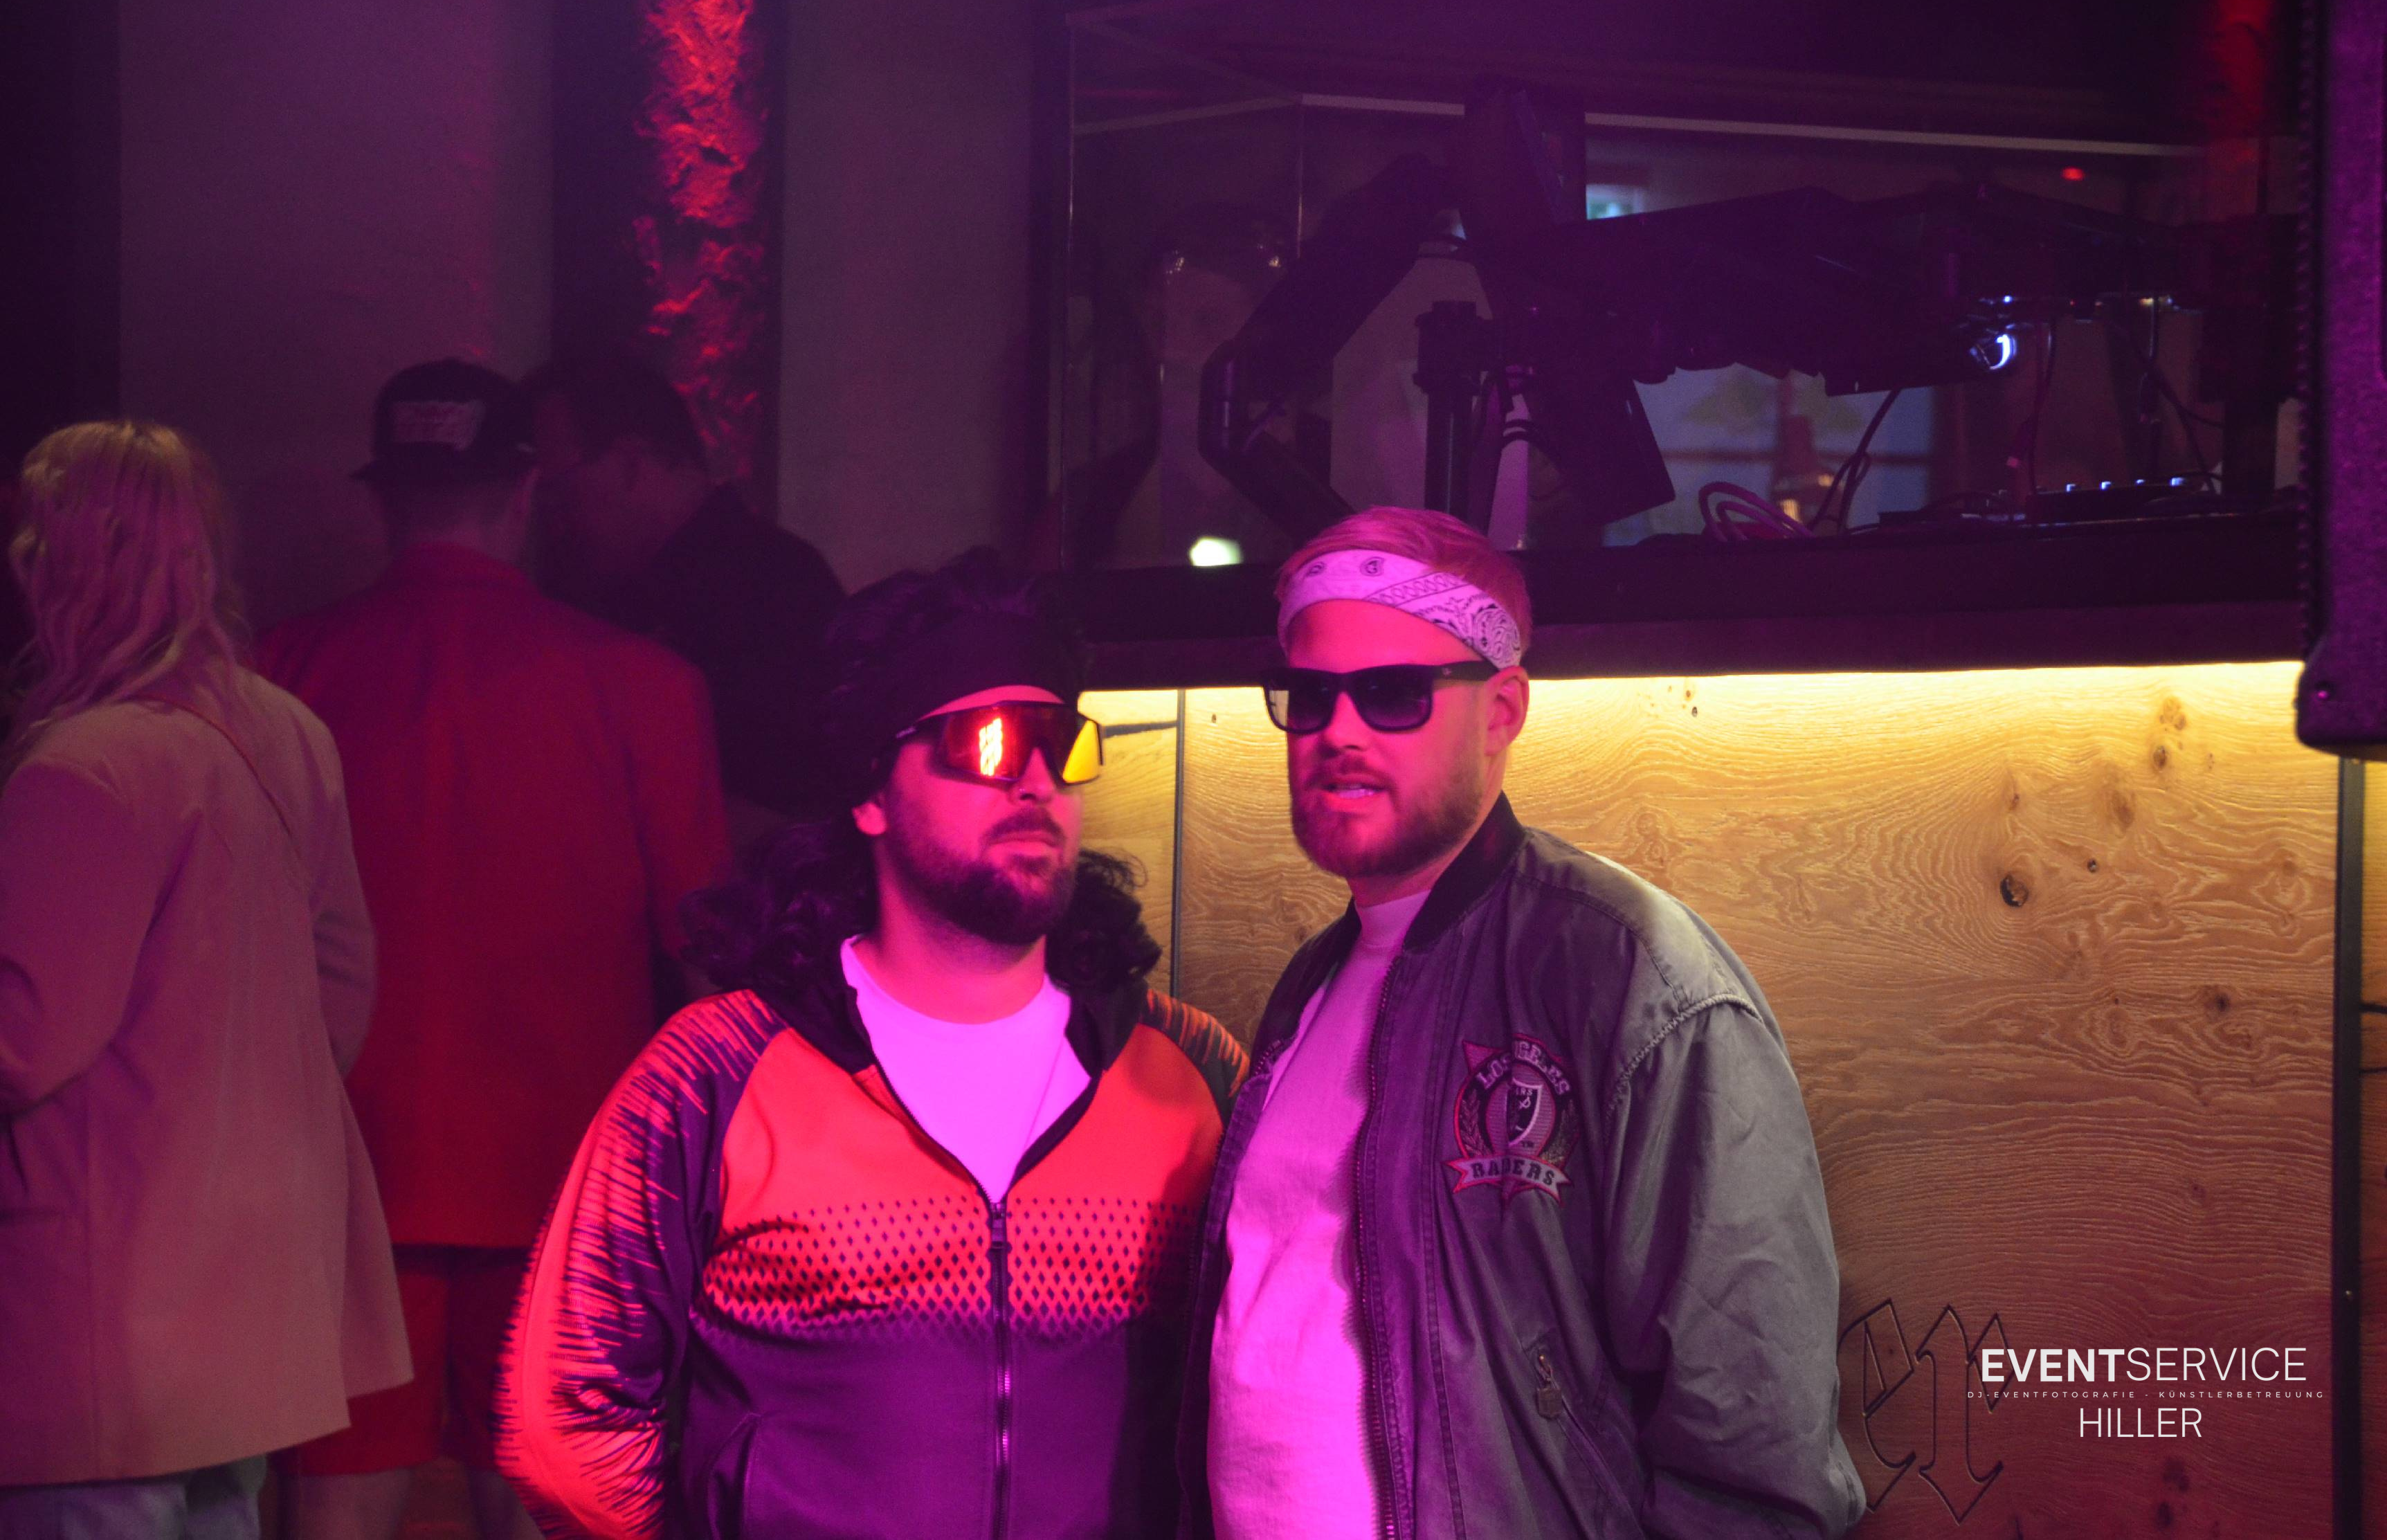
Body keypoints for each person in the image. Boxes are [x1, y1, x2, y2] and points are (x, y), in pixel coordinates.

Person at [498, 552, 1245, 1540]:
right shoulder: (717, 1071)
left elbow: (1279, 1378)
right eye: (987, 740)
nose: (1035, 779)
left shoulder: (1185, 1069)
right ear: (871, 794)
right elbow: (564, 1411)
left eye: (1063, 745)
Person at [1183, 506, 1866, 1540]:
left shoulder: (1628, 975)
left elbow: (1753, 1453)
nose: (1339, 733)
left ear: (1501, 710)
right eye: (1311, 697)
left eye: (1394, 694)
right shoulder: (1309, 986)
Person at [258, 361, 730, 1540]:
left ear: (384, 500)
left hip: (346, 1172)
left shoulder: (280, 677)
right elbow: (707, 959)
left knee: (334, 1512)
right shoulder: (646, 687)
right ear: (524, 494)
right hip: (561, 1176)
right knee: (545, 1503)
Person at [0, 422, 408, 1537]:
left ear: (58, 565)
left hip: (94, 1324)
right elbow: (341, 992)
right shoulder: (289, 733)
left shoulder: (86, 767)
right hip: (246, 1307)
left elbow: (23, 1040)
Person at [525, 354, 845, 834]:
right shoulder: (594, 589)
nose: (552, 519)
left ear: (630, 463)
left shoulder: (775, 590)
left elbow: (797, 812)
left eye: (557, 490)